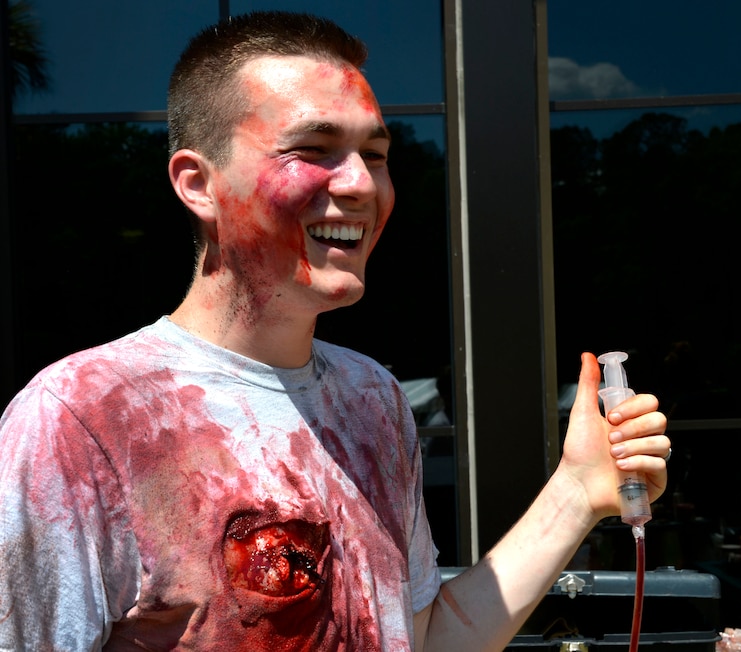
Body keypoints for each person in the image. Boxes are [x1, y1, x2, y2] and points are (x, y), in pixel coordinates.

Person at [0, 10, 670, 651]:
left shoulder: (371, 398)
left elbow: (425, 640)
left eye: (375, 154)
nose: (359, 185)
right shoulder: (83, 417)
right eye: (313, 150)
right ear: (197, 183)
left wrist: (577, 492)